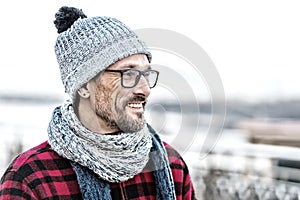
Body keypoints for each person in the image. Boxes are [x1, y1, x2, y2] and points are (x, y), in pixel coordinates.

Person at [0, 6, 196, 200]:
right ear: (83, 86)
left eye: (146, 74)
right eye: (128, 73)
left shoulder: (171, 166)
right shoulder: (31, 179)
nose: (145, 89)